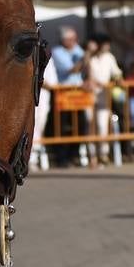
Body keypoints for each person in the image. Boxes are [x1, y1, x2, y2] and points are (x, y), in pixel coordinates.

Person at [49, 27, 87, 167]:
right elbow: (73, 69)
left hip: (78, 94)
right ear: (63, 40)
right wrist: (88, 55)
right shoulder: (57, 52)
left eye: (74, 39)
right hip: (63, 94)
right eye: (70, 39)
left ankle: (74, 154)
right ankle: (62, 157)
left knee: (80, 126)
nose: (73, 42)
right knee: (62, 127)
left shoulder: (78, 50)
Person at [84, 34, 122, 167]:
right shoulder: (89, 57)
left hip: (104, 95)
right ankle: (92, 155)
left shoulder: (109, 57)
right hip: (88, 95)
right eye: (106, 44)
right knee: (90, 124)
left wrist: (117, 79)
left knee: (102, 124)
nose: (108, 46)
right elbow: (83, 70)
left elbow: (116, 72)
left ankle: (103, 154)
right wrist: (89, 52)